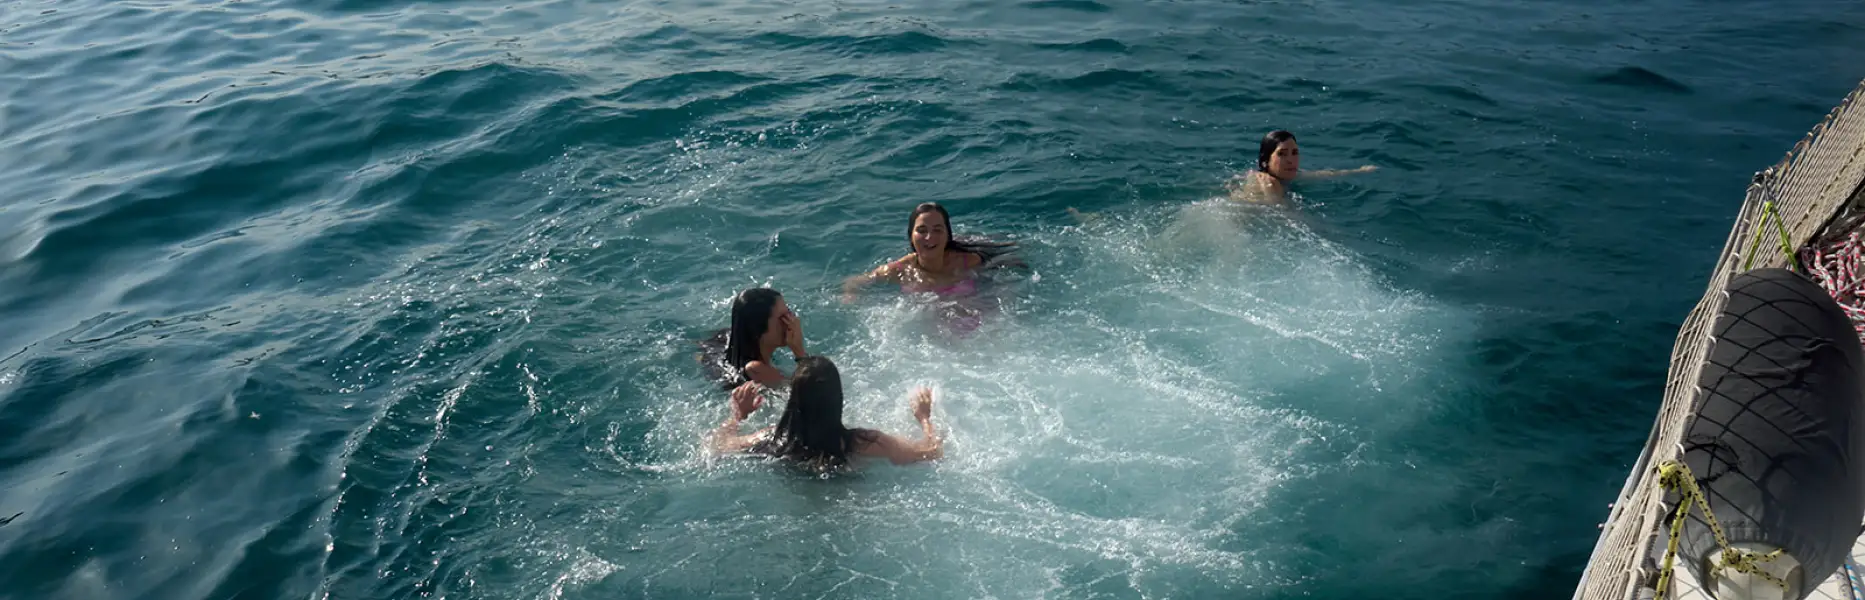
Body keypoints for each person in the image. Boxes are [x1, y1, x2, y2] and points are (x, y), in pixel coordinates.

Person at [709, 356, 944, 469]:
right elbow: (931, 452)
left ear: (794, 398)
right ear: (837, 398)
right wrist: (924, 417)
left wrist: (737, 417)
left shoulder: (774, 439)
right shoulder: (860, 442)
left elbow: (716, 447)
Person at [841, 202, 1017, 304]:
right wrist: (851, 294)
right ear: (911, 235)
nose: (929, 237)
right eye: (922, 230)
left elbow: (1003, 270)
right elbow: (854, 281)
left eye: (937, 230)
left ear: (948, 235)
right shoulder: (899, 270)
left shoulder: (966, 261)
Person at [1228, 130, 1377, 205]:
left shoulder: (1282, 176)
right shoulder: (1270, 183)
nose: (1290, 160)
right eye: (1282, 154)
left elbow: (1320, 174)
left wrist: (1359, 171)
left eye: (1295, 153)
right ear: (1266, 160)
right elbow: (1285, 214)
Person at [697, 287, 806, 388]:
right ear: (758, 329)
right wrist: (799, 351)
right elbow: (810, 391)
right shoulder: (756, 369)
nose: (792, 321)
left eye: (789, 313)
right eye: (783, 317)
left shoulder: (751, 350)